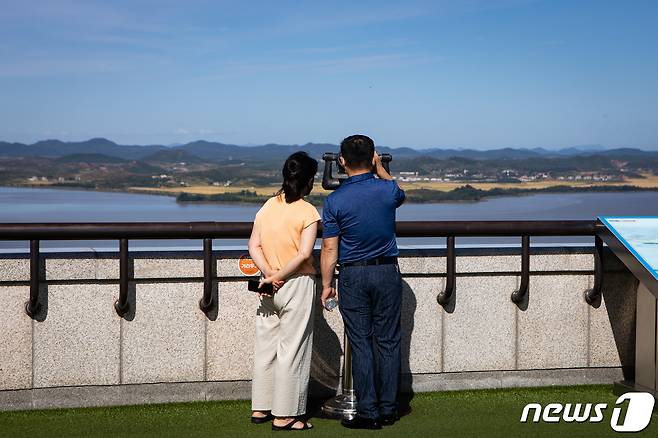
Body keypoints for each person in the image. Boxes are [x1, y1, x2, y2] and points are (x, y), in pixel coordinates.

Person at [320, 134, 405, 430]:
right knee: (388, 341)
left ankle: (368, 412)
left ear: (341, 161)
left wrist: (327, 284)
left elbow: (329, 248)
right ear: (373, 158)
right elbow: (399, 193)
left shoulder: (335, 200)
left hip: (353, 274)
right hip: (387, 271)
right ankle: (388, 408)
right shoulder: (387, 190)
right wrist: (380, 169)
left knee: (361, 342)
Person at [248, 151, 321, 431]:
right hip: (296, 283)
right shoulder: (308, 211)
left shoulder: (267, 206)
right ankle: (286, 415)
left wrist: (269, 275)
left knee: (266, 348)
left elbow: (253, 245)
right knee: (293, 349)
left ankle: (261, 407)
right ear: (309, 180)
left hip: (266, 285)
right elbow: (304, 254)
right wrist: (279, 276)